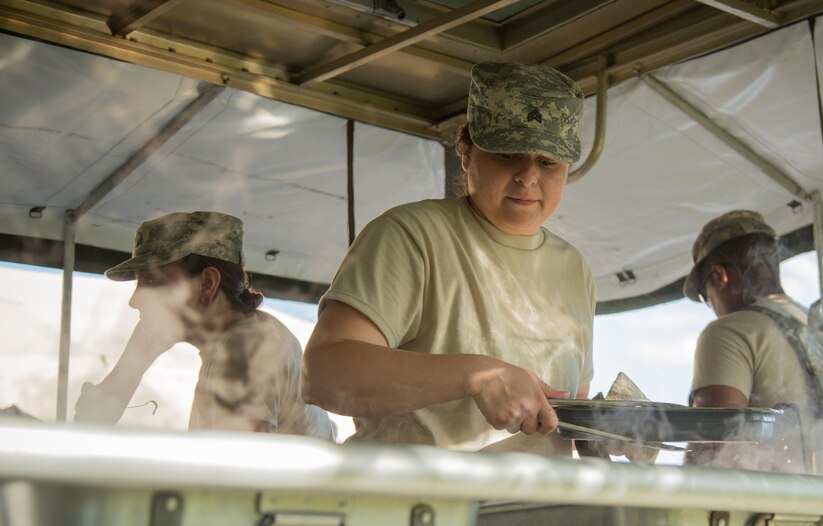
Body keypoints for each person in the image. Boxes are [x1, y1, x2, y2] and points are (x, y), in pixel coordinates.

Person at [303, 62, 595, 455]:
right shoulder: (411, 236)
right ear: (465, 152)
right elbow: (324, 374)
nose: (527, 177)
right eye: (507, 155)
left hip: (539, 509)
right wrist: (477, 376)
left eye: (547, 162)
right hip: (419, 507)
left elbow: (567, 409)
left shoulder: (575, 269)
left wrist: (605, 435)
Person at [74, 211, 335, 439]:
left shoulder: (241, 353)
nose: (135, 300)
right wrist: (134, 360)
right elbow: (96, 419)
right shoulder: (252, 334)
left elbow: (239, 478)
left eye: (152, 281)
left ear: (207, 283)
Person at [684, 210, 823, 467]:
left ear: (720, 276)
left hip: (789, 505)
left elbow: (712, 454)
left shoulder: (730, 332)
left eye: (703, 295)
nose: (708, 304)